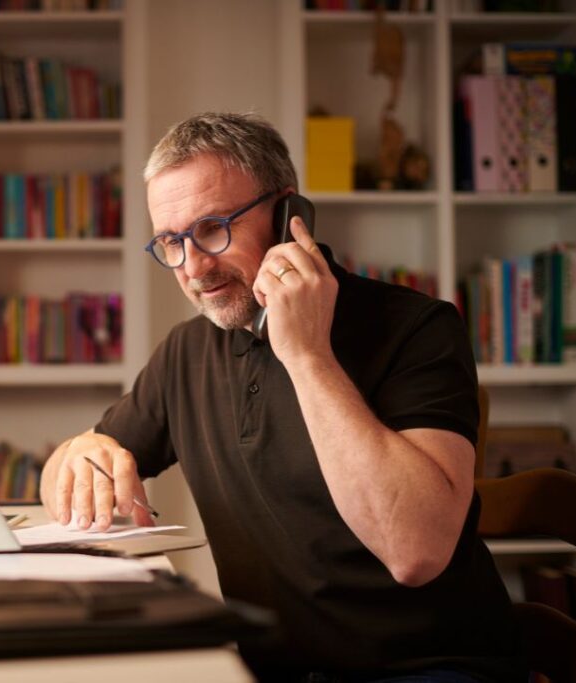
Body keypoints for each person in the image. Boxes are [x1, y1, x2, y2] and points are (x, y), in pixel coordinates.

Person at [39, 112, 523, 681]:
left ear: (290, 215)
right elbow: (73, 474)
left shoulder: (418, 328)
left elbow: (416, 552)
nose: (193, 267)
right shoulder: (186, 352)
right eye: (171, 242)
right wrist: (76, 456)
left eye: (213, 227)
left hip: (428, 668)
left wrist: (308, 354)